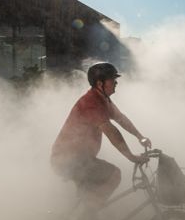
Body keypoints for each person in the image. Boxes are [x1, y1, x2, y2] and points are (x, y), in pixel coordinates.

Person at [51, 62, 152, 209]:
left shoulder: (103, 100)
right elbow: (111, 132)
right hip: (68, 159)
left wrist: (140, 136)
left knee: (95, 190)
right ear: (100, 83)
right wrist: (131, 157)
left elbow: (121, 119)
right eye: (112, 79)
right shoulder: (91, 103)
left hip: (80, 158)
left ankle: (89, 218)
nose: (116, 82)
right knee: (114, 175)